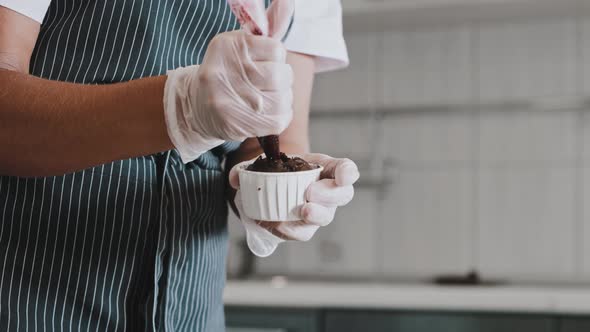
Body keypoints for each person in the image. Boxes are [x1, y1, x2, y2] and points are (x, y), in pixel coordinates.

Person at [0, 0, 359, 330]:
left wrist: (282, 194)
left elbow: (268, 135)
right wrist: (177, 108)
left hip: (191, 308)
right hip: (33, 297)